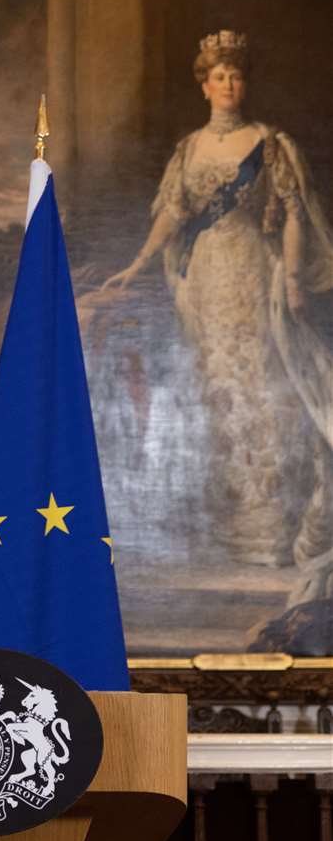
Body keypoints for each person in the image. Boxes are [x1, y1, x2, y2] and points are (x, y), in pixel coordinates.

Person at [101, 30, 333, 592]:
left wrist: (297, 280)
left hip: (255, 274)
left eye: (236, 76)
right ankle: (228, 530)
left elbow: (295, 213)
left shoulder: (271, 144)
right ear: (203, 85)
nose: (229, 85)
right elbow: (173, 215)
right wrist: (136, 265)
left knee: (263, 393)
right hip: (205, 280)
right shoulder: (191, 149)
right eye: (219, 76)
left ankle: (271, 533)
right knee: (217, 391)